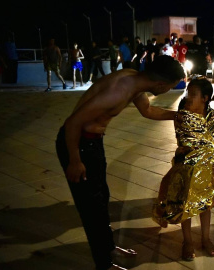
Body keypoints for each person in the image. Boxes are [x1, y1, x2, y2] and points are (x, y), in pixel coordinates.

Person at [55, 55, 186, 270]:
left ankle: (108, 247)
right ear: (161, 85)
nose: (170, 90)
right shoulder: (120, 91)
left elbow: (148, 110)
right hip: (78, 144)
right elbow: (73, 123)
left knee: (101, 198)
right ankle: (104, 264)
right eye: (172, 87)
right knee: (91, 208)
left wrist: (179, 116)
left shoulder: (136, 82)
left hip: (92, 144)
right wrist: (74, 160)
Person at [152, 77, 214, 261]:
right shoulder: (183, 114)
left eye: (194, 94)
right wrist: (199, 149)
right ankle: (187, 241)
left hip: (206, 165)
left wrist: (205, 152)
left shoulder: (212, 116)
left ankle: (206, 238)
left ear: (205, 98)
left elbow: (213, 142)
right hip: (186, 166)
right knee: (186, 204)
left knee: (205, 205)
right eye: (188, 93)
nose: (189, 97)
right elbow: (185, 142)